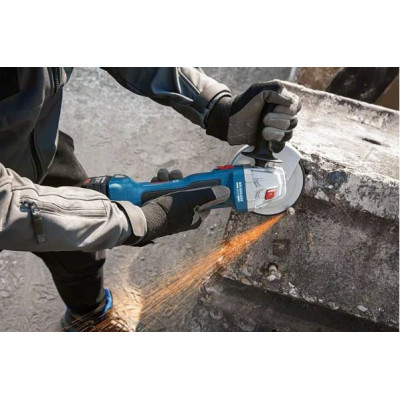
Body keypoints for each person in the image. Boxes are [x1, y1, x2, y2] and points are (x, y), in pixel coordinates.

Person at [0, 68, 301, 331]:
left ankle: (90, 317)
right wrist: (135, 220)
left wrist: (214, 106)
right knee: (90, 222)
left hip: (36, 144)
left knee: (82, 250)